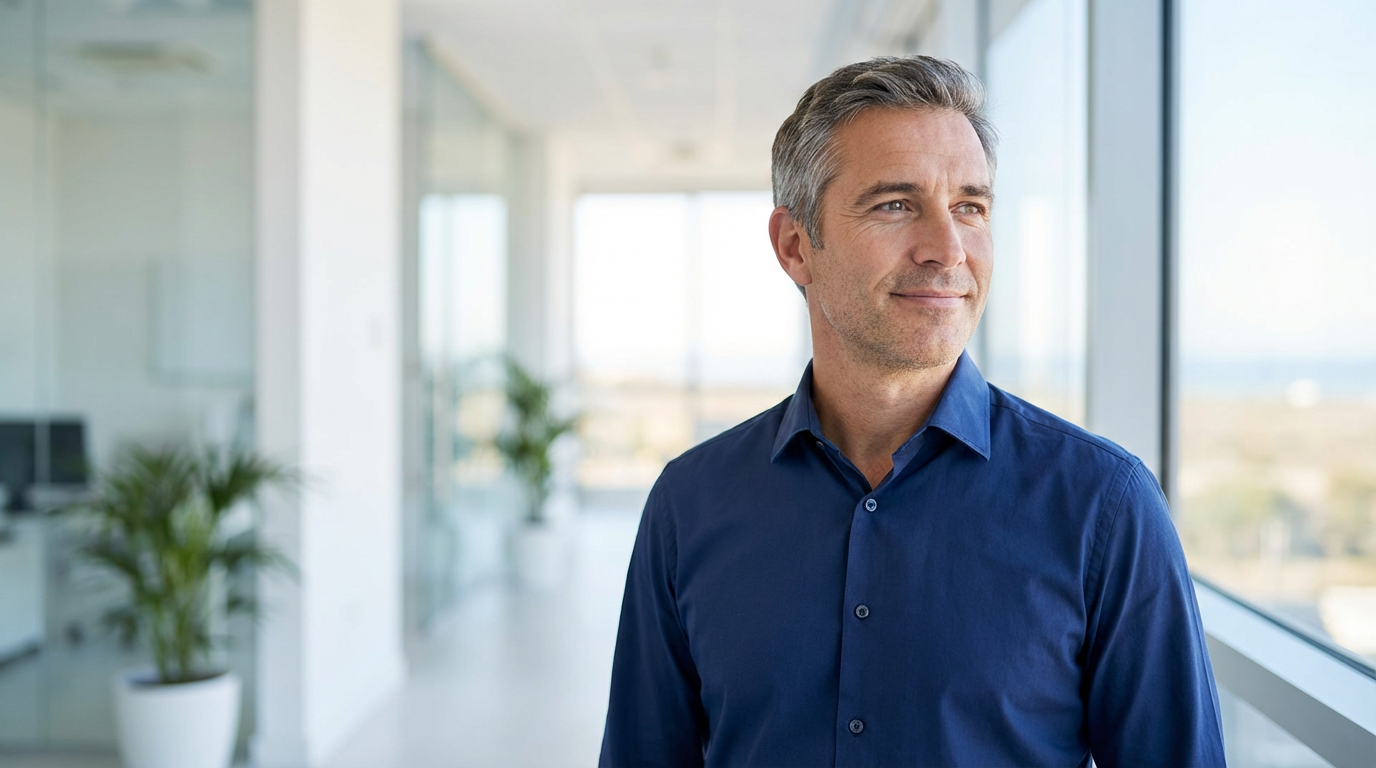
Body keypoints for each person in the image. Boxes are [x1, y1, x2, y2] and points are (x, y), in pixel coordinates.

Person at [599, 56, 1225, 767]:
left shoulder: (1104, 507)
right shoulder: (691, 504)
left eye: (970, 207)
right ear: (795, 245)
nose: (947, 249)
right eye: (895, 205)